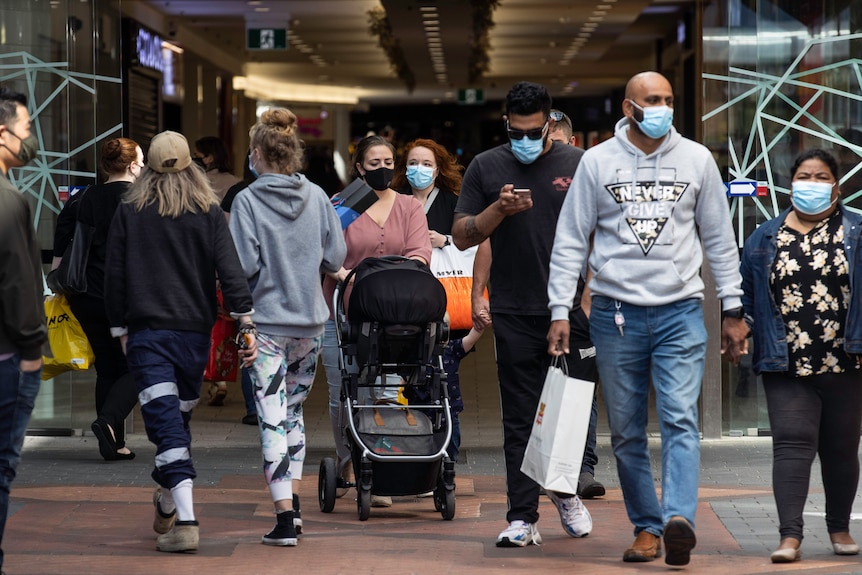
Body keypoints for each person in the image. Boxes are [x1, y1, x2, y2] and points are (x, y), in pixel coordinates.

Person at [545, 71, 749, 566]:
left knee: (680, 418)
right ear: (628, 107)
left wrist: (733, 306)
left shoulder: (697, 160)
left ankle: (678, 518)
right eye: (651, 100)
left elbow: (720, 241)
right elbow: (571, 238)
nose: (661, 107)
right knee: (629, 431)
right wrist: (559, 309)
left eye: (667, 100)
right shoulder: (597, 163)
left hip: (680, 312)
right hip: (616, 315)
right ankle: (646, 526)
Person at [452, 81, 595, 548]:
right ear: (506, 124)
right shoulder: (487, 166)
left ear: (550, 123)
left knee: (569, 412)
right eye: (518, 131)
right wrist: (499, 208)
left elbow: (603, 233)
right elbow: (462, 237)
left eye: (535, 131)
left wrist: (590, 296)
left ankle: (565, 490)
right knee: (519, 416)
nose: (526, 139)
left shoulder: (577, 164)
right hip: (514, 308)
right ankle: (522, 516)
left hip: (571, 310)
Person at [104, 130, 257, 553]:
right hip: (195, 334)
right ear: (192, 165)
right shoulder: (208, 208)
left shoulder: (130, 210)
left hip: (148, 333)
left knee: (168, 424)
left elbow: (114, 275)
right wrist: (245, 319)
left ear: (147, 168)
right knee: (175, 422)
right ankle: (173, 501)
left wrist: (118, 328)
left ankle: (185, 520)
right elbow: (230, 269)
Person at [230, 107, 346, 546]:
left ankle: (284, 518)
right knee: (292, 412)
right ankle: (294, 508)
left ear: (258, 153)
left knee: (271, 417)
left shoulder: (247, 200)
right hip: (311, 324)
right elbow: (335, 257)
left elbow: (244, 264)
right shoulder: (317, 195)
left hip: (267, 325)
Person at [741, 148, 862, 563]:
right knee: (791, 445)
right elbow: (746, 294)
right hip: (785, 361)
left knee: (841, 447)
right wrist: (740, 327)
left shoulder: (857, 232)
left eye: (821, 176)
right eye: (804, 176)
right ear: (791, 183)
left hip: (847, 360)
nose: (811, 183)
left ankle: (839, 529)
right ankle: (789, 536)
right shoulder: (764, 236)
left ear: (836, 185)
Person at [321, 134, 431, 508]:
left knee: (385, 387)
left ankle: (384, 460)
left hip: (392, 313)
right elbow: (324, 249)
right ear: (358, 169)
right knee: (344, 392)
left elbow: (420, 252)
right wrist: (345, 274)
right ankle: (350, 461)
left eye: (388, 163)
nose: (382, 170)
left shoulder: (408, 207)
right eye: (374, 164)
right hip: (342, 309)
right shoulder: (343, 204)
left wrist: (394, 275)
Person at [391, 137, 489, 462]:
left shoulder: (453, 202)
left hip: (446, 297)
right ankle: (415, 438)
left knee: (444, 369)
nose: (419, 169)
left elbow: (475, 241)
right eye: (414, 163)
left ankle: (446, 446)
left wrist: (445, 239)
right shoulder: (393, 201)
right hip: (403, 295)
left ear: (438, 169)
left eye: (427, 164)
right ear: (404, 169)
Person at [51, 137, 143, 461]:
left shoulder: (81, 199)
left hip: (86, 297)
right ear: (132, 165)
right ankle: (107, 422)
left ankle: (113, 443)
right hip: (127, 299)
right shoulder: (142, 201)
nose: (143, 168)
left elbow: (59, 260)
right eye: (141, 162)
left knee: (108, 368)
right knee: (141, 365)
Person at [545, 110, 605, 500]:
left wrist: (586, 300)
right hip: (534, 304)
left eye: (556, 142)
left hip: (579, 307)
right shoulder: (524, 178)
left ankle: (582, 468)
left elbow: (603, 239)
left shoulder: (588, 178)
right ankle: (546, 466)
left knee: (582, 388)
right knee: (543, 388)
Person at [0, 86, 48, 574]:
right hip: (8, 358)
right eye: (27, 130)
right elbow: (17, 284)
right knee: (1, 465)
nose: (31, 140)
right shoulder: (10, 202)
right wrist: (32, 350)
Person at [194, 136, 242, 406]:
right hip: (227, 259)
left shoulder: (196, 183)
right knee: (225, 321)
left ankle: (215, 378)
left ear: (208, 157)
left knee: (207, 321)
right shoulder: (235, 184)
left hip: (202, 258)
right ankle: (221, 375)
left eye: (197, 153)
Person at [220, 151, 258, 426]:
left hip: (242, 280)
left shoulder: (237, 193)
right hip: (266, 283)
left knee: (249, 339)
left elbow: (223, 239)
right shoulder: (300, 191)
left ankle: (254, 409)